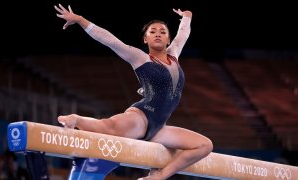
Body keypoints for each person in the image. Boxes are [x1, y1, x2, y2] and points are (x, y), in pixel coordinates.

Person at [54, 4, 213, 180]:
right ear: (145, 39)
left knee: (205, 145)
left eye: (162, 31)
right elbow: (110, 40)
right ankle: (77, 119)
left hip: (159, 127)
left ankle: (159, 177)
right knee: (108, 128)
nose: (158, 33)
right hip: (142, 117)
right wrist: (80, 20)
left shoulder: (174, 54)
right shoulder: (140, 58)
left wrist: (187, 15)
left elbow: (183, 33)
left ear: (168, 39)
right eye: (152, 31)